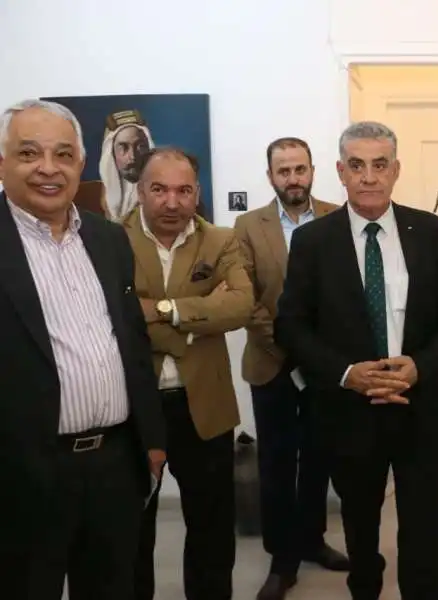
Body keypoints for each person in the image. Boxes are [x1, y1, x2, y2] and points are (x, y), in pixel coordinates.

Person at [274, 121, 438, 600]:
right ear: (340, 171)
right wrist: (346, 374)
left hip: (419, 409)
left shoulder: (430, 231)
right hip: (348, 413)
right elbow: (291, 326)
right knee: (360, 531)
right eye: (357, 165)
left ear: (395, 170)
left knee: (424, 530)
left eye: (379, 165)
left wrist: (421, 365)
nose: (368, 176)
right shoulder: (313, 241)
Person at [0, 99, 166, 599]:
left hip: (115, 466)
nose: (48, 168)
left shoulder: (108, 239)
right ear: (3, 162)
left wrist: (152, 440)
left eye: (63, 154)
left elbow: (132, 343)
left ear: (81, 163)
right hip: (23, 471)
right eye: (29, 153)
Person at [123, 146, 254, 600]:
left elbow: (240, 305)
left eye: (183, 191)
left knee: (212, 530)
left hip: (205, 408)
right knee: (132, 530)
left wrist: (160, 311)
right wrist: (198, 316)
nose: (172, 202)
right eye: (159, 189)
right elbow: (112, 314)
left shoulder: (221, 241)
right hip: (133, 409)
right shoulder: (110, 240)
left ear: (197, 193)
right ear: (140, 191)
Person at [234, 137, 349, 600]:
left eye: (300, 169)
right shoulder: (247, 226)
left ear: (313, 171)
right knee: (278, 466)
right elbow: (245, 298)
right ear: (270, 177)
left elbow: (346, 295)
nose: (293, 178)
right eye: (283, 171)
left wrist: (319, 355)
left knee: (320, 458)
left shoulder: (338, 217)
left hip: (325, 370)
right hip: (272, 364)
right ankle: (282, 561)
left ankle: (313, 541)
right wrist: (291, 345)